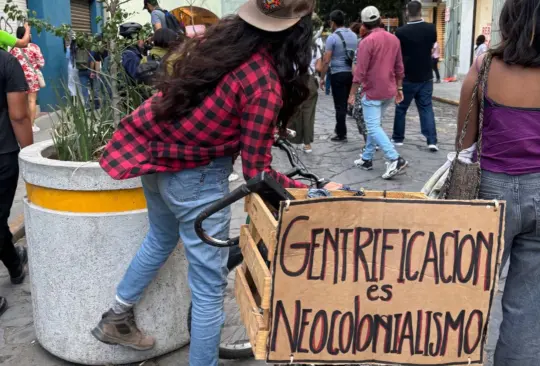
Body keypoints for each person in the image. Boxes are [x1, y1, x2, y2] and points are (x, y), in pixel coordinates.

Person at [91, 1, 341, 365]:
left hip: (157, 161)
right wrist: (310, 191)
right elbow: (257, 172)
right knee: (208, 292)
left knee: (160, 239)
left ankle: (118, 315)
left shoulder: (215, 49)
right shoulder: (263, 81)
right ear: (297, 34)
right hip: (196, 178)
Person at [456, 1, 540, 365]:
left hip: (487, 193)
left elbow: (464, 142)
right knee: (529, 307)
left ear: (508, 19)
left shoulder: (484, 67)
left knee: (465, 293)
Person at [349, 6, 408, 180]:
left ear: (364, 23)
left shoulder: (366, 42)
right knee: (374, 125)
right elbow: (399, 67)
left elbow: (359, 72)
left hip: (372, 91)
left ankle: (395, 158)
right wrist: (399, 88)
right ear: (380, 19)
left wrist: (352, 93)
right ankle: (367, 158)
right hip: (389, 90)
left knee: (372, 127)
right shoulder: (393, 39)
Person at [0, 48, 33, 318]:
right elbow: (19, 115)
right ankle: (15, 264)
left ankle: (15, 264)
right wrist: (30, 154)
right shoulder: (6, 61)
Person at [393, 0, 438, 152]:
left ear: (407, 12)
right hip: (426, 74)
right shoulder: (431, 29)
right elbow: (431, 47)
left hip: (407, 76)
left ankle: (398, 138)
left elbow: (398, 54)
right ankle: (431, 140)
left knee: (401, 108)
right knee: (426, 108)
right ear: (420, 11)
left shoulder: (400, 32)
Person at [320, 10, 357, 142]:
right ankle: (342, 129)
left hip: (338, 74)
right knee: (348, 103)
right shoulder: (353, 35)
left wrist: (322, 77)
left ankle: (341, 134)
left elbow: (326, 60)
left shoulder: (332, 38)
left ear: (332, 22)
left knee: (340, 106)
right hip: (352, 73)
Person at [288, 13, 323, 153]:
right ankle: (307, 144)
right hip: (310, 80)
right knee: (309, 113)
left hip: (296, 80)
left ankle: (290, 139)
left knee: (293, 110)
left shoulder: (292, 43)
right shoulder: (316, 44)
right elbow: (319, 67)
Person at [10, 26, 45, 133]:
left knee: (23, 102)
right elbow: (41, 63)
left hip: (18, 77)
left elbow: (10, 64)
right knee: (32, 100)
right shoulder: (34, 47)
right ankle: (32, 125)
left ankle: (23, 125)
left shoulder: (13, 48)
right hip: (32, 77)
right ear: (26, 35)